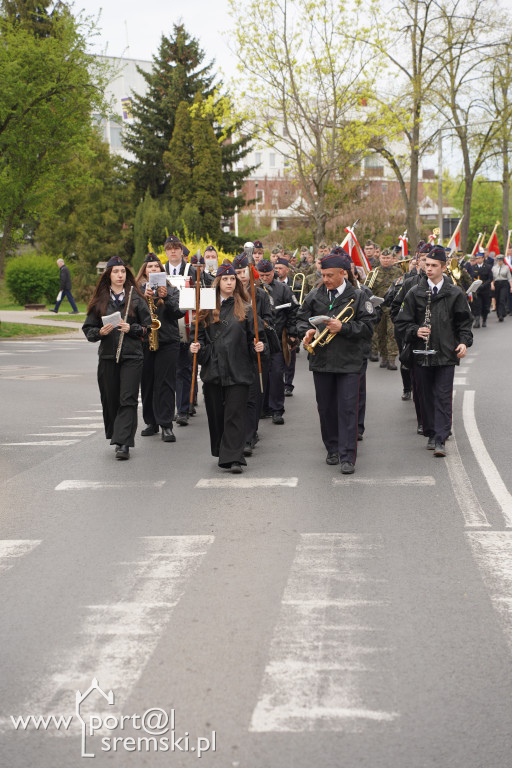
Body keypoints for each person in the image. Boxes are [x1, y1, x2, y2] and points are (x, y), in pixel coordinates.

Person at [296, 249, 374, 474]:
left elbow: (368, 328)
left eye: (330, 275)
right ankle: (332, 448)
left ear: (343, 273)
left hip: (349, 361)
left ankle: (348, 455)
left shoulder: (358, 296)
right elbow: (301, 320)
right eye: (323, 274)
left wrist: (344, 327)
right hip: (321, 360)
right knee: (326, 408)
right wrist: (308, 332)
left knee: (348, 408)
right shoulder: (315, 295)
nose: (325, 279)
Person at [395, 245, 473, 457]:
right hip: (421, 354)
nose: (428, 269)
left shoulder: (455, 293)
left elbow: (464, 323)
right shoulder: (414, 292)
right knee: (424, 396)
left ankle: (440, 438)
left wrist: (464, 342)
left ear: (444, 267)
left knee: (443, 395)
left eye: (433, 266)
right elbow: (401, 323)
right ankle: (430, 432)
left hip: (446, 353)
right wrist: (414, 330)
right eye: (427, 265)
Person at [189, 264, 265, 474]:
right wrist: (196, 348)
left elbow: (255, 338)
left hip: (239, 370)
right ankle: (222, 449)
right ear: (218, 282)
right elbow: (198, 337)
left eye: (233, 279)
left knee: (235, 414)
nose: (230, 283)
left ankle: (234, 457)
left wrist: (258, 346)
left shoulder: (247, 308)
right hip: (213, 370)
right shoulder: (205, 307)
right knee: (216, 414)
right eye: (225, 279)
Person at [82, 257, 151, 460]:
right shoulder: (100, 300)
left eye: (123, 271)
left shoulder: (136, 298)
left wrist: (133, 328)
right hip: (108, 356)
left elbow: (148, 327)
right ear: (109, 275)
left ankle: (123, 443)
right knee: (111, 399)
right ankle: (116, 434)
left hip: (132, 356)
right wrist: (100, 332)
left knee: (128, 399)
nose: (120, 275)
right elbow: (88, 329)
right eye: (116, 272)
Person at [136, 253, 184, 443]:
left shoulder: (172, 290)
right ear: (144, 272)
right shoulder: (137, 291)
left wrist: (166, 298)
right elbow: (132, 314)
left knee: (165, 383)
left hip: (167, 342)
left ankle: (166, 424)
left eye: (157, 267)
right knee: (147, 383)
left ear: (161, 271)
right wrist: (142, 298)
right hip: (144, 342)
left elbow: (179, 312)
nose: (154, 269)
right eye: (150, 267)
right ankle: (151, 422)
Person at [233, 253, 273, 454]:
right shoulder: (229, 294)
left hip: (256, 346)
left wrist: (256, 319)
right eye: (237, 272)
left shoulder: (261, 294)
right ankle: (242, 434)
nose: (240, 276)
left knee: (254, 394)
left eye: (243, 272)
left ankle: (250, 435)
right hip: (234, 349)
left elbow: (269, 320)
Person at [257, 259, 298, 423]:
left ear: (273, 272)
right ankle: (263, 407)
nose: (265, 278)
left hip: (277, 337)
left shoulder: (283, 289)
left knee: (275, 373)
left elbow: (294, 311)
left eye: (268, 275)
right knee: (261, 373)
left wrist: (292, 333)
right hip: (259, 337)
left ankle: (277, 409)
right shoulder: (255, 289)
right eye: (262, 275)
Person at [368, 249, 403, 368]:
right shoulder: (374, 273)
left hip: (393, 307)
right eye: (383, 258)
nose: (386, 260)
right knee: (380, 333)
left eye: (388, 258)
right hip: (379, 308)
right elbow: (368, 290)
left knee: (392, 332)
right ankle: (383, 356)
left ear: (392, 259)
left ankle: (392, 358)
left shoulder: (398, 272)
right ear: (380, 259)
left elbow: (402, 288)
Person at [471, 252, 493, 327]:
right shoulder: (473, 267)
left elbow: (490, 278)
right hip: (477, 290)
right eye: (476, 258)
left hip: (485, 290)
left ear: (483, 258)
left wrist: (484, 285)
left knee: (485, 306)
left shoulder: (488, 267)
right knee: (477, 305)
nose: (478, 259)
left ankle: (484, 320)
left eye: (479, 258)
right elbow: (471, 278)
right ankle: (477, 321)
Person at [491, 254, 512, 321]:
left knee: (502, 299)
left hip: (504, 284)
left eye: (500, 260)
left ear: (503, 261)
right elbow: (492, 278)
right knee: (497, 299)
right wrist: (492, 285)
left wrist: (511, 287)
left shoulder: (506, 267)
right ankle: (499, 314)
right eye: (498, 260)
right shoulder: (494, 268)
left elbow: (509, 278)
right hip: (496, 284)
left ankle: (502, 313)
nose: (499, 262)